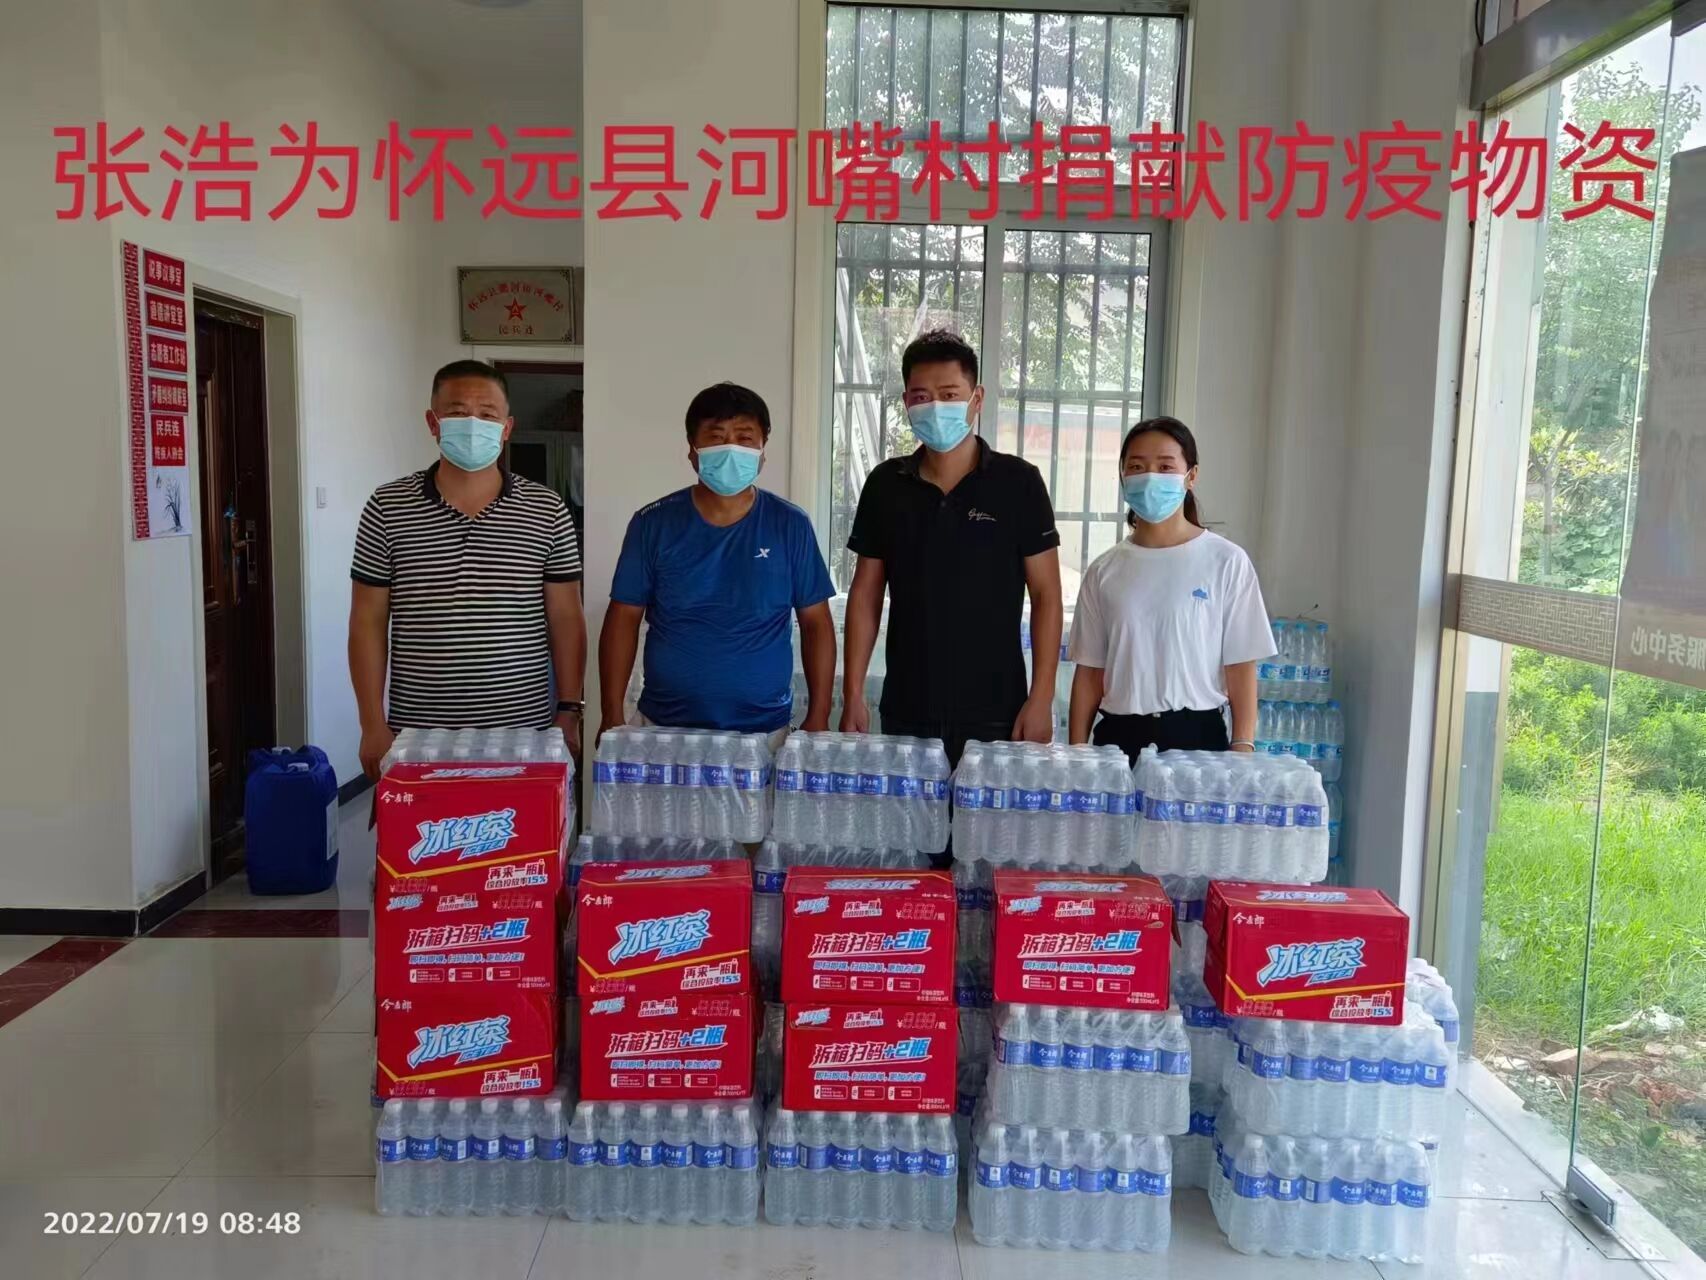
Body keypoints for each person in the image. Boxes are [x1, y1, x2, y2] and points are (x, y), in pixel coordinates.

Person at [349, 359, 586, 779]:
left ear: (507, 428)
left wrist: (569, 709)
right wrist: (372, 723)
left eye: (487, 414)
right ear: (433, 422)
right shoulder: (387, 507)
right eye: (458, 413)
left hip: (522, 731)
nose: (474, 425)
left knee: (517, 825)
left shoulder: (546, 509)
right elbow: (367, 620)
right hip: (418, 733)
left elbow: (566, 617)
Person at [840, 329, 1063, 765]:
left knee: (988, 813)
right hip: (908, 705)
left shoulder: (1018, 483)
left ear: (976, 399)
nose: (936, 407)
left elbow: (1046, 596)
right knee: (907, 813)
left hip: (997, 710)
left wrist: (1041, 698)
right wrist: (852, 693)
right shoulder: (886, 485)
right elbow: (865, 595)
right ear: (906, 402)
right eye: (922, 396)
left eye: (949, 394)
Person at [598, 382, 836, 745]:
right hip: (664, 731)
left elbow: (816, 622)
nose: (731, 449)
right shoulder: (652, 524)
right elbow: (623, 618)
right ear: (692, 451)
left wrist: (819, 714)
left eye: (744, 437)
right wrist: (611, 713)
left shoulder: (790, 525)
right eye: (716, 437)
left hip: (763, 734)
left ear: (763, 449)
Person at [1067, 416, 1274, 764]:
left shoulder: (1226, 561)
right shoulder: (1104, 570)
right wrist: (1077, 752)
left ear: (1191, 476)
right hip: (1118, 742)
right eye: (1137, 466)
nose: (1150, 477)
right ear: (1123, 476)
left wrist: (1242, 748)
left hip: (1198, 742)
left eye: (1165, 466)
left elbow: (1240, 666)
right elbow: (1089, 672)